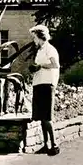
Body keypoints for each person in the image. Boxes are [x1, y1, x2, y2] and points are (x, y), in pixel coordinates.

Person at [28, 24, 61, 156]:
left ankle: (54, 145)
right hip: (39, 83)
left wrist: (40, 66)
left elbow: (55, 65)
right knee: (42, 117)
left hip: (47, 84)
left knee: (47, 117)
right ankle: (45, 144)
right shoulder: (40, 50)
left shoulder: (50, 49)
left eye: (34, 37)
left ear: (40, 36)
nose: (33, 40)